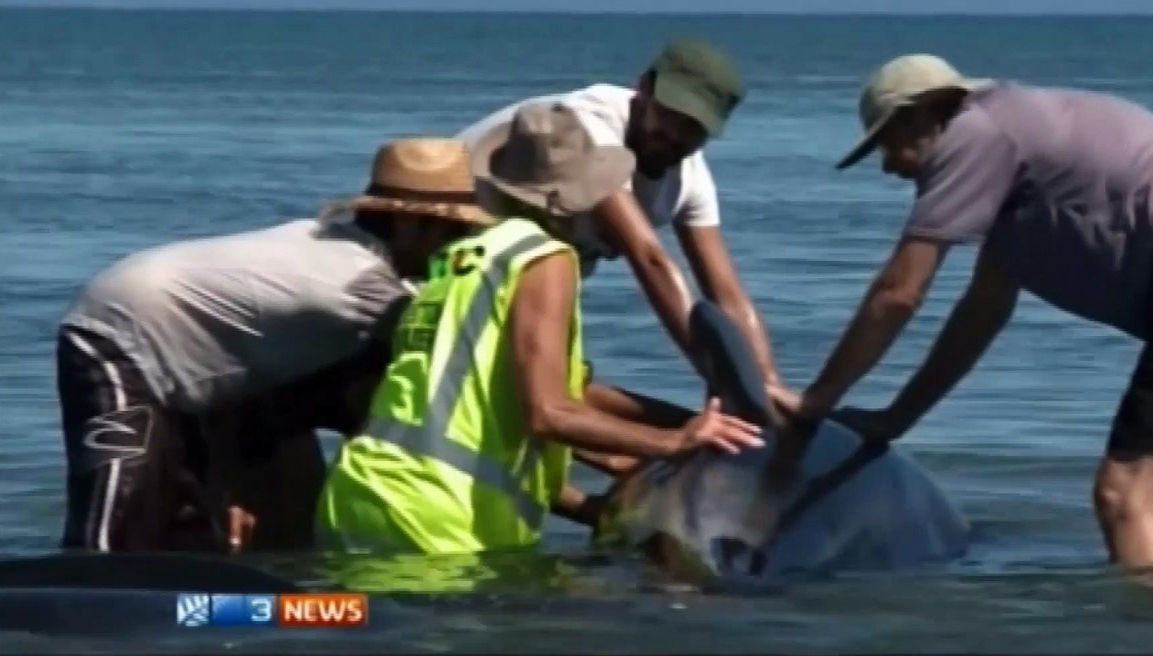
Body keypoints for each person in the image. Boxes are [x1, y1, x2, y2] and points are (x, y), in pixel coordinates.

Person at [773, 54, 1153, 569]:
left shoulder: (974, 134)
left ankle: (1148, 639)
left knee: (1128, 494)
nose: (889, 166)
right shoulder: (1016, 152)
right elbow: (982, 313)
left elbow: (899, 292)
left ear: (920, 117)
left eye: (886, 143)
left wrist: (818, 399)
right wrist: (896, 418)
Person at [315, 102, 765, 556]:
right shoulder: (544, 259)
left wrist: (695, 424)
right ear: (576, 197)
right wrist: (676, 442)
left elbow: (520, 390)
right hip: (436, 522)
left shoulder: (456, 260)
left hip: (361, 494)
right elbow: (550, 412)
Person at [55, 138, 494, 553]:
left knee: (190, 528)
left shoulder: (340, 242)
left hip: (211, 358)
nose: (459, 244)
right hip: (118, 334)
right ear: (408, 223)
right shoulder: (361, 285)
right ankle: (75, 594)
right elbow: (459, 356)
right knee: (117, 515)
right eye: (451, 230)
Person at [455, 38, 788, 404]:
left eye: (693, 128)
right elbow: (648, 257)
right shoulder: (585, 126)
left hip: (513, 283)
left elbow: (728, 295)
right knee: (541, 399)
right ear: (644, 88)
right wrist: (723, 377)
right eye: (669, 115)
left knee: (560, 388)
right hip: (437, 261)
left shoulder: (689, 179)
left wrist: (767, 385)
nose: (674, 136)